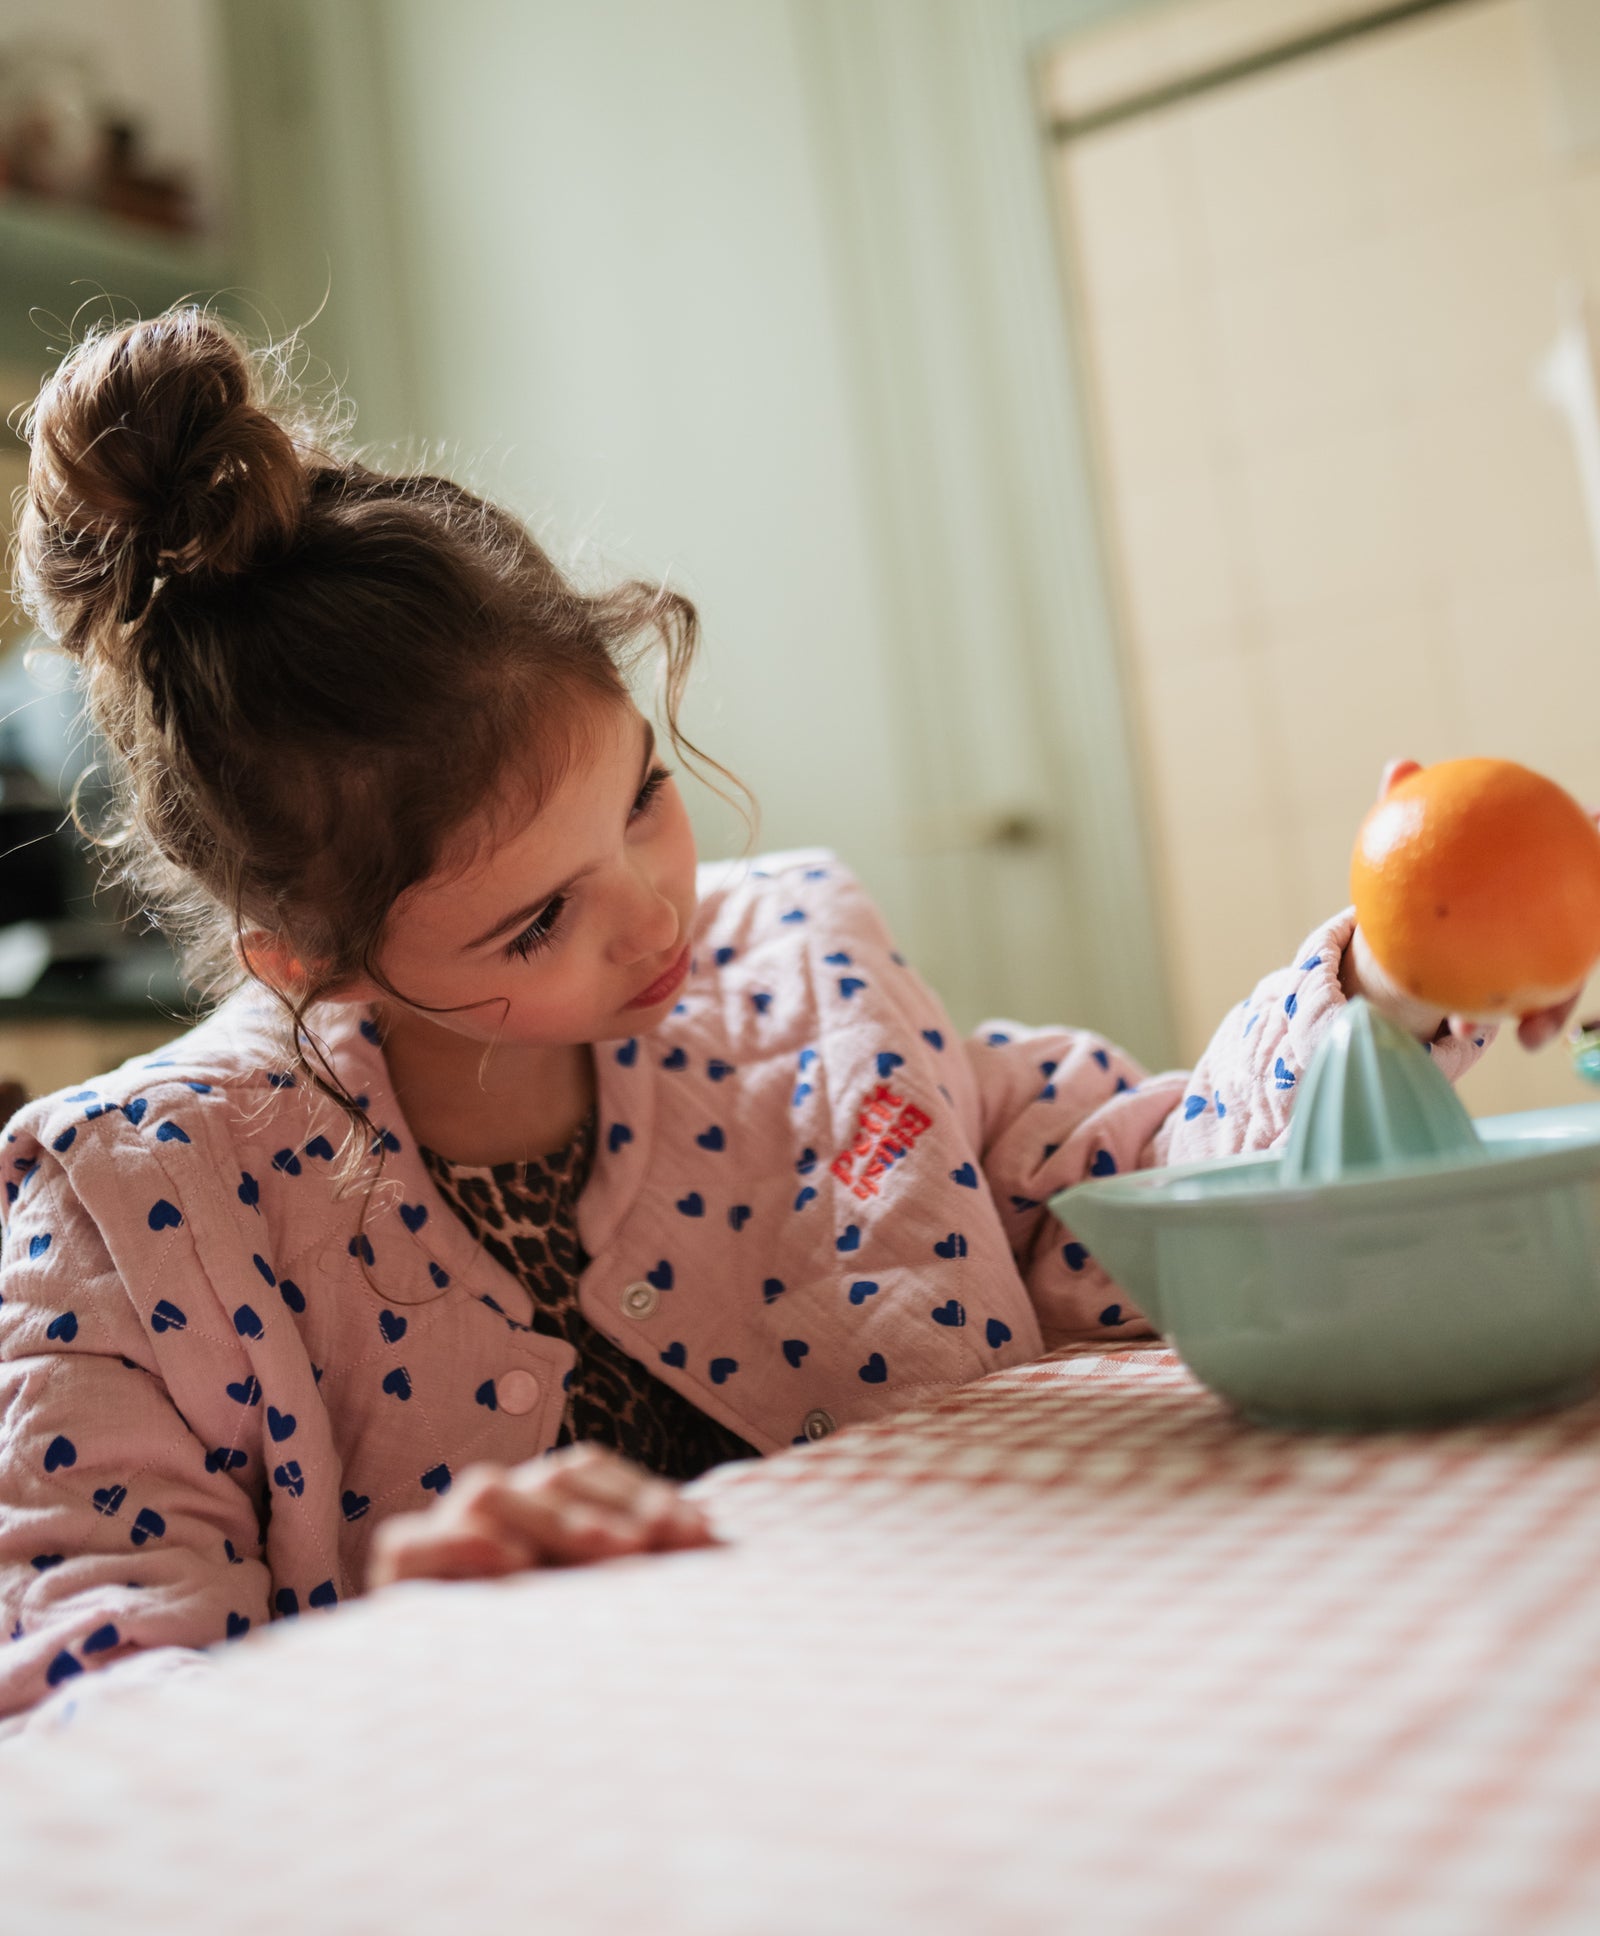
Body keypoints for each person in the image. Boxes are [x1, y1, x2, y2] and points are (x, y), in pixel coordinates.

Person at [0, 313, 1554, 1738]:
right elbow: (91, 1710)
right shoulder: (139, 1214)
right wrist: (392, 1659)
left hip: (984, 1750)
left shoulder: (805, 981)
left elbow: (1148, 1195)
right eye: (533, 920)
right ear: (306, 963)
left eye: (646, 799)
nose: (658, 913)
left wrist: (1395, 990)